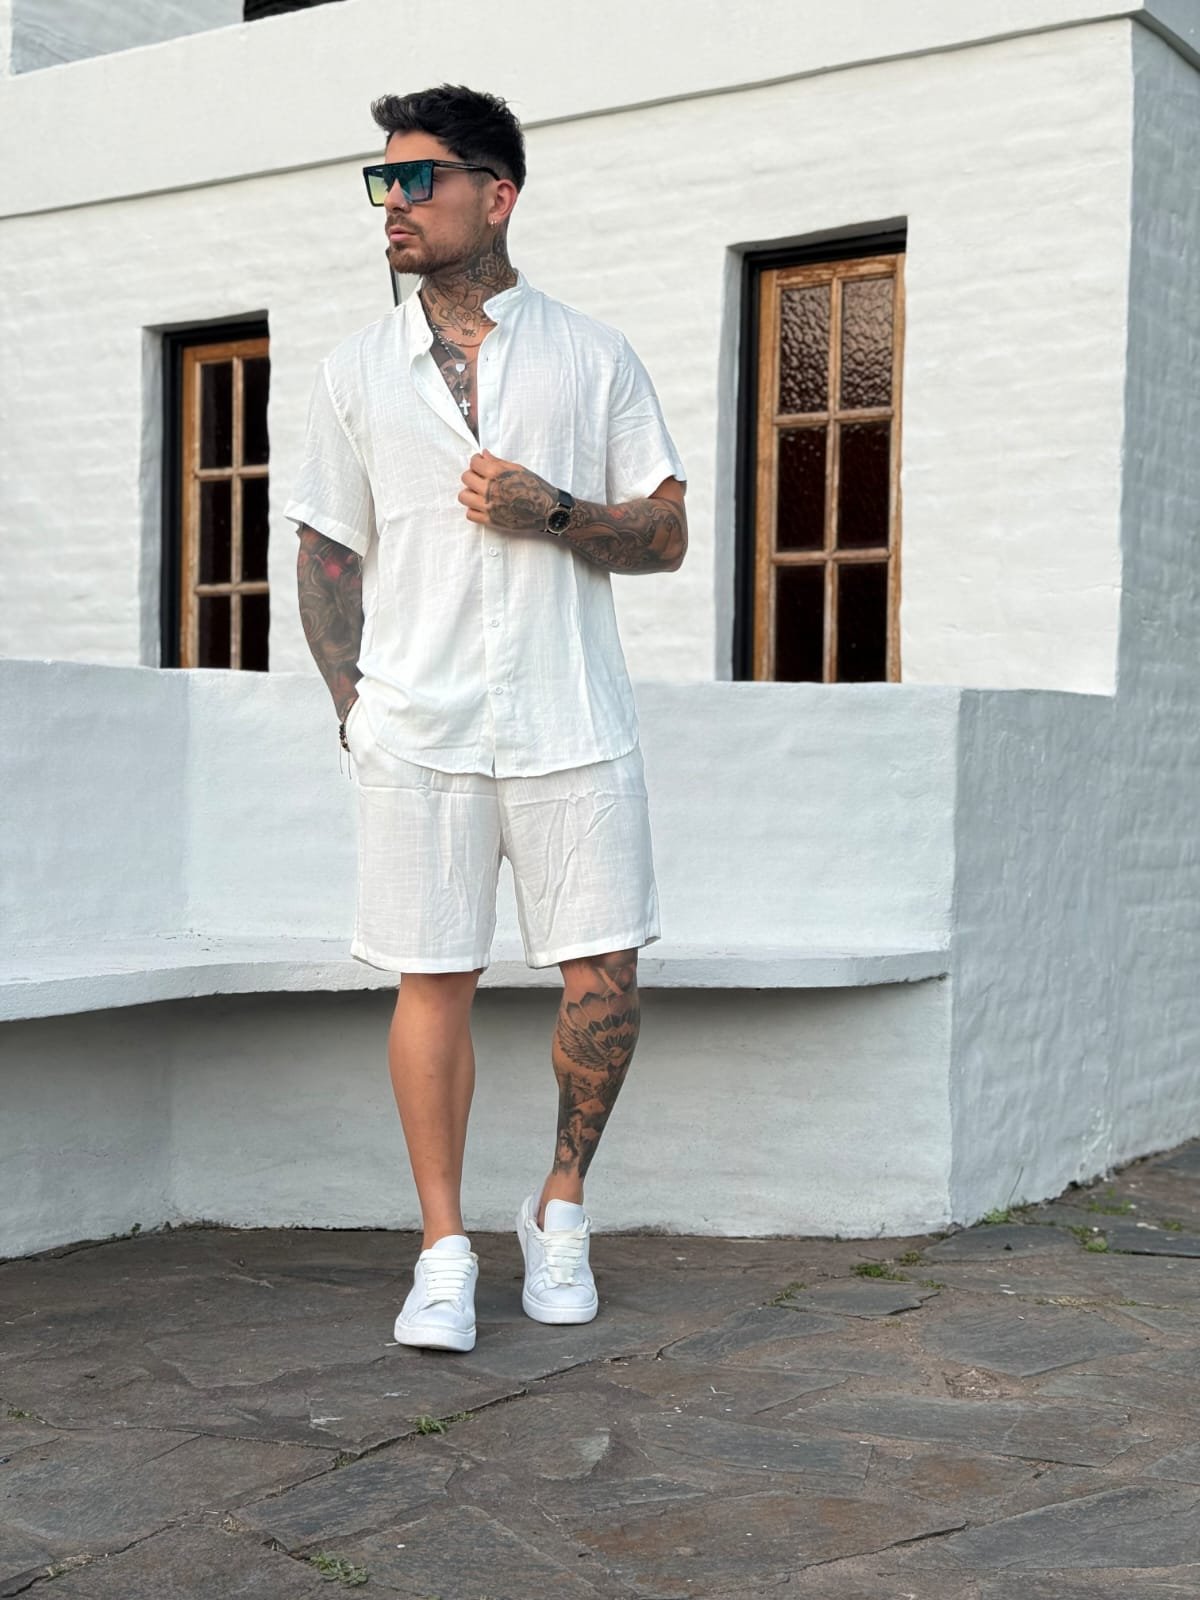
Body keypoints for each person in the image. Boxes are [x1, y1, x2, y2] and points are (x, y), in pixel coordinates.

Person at [286, 84, 686, 1354]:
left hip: (574, 715)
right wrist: (355, 712)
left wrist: (550, 510)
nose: (393, 204)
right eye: (383, 182)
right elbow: (326, 552)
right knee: (434, 978)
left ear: (497, 194)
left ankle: (560, 1209)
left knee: (605, 976)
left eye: (419, 179)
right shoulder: (355, 372)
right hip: (420, 727)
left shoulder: (593, 355)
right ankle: (443, 1247)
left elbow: (667, 531)